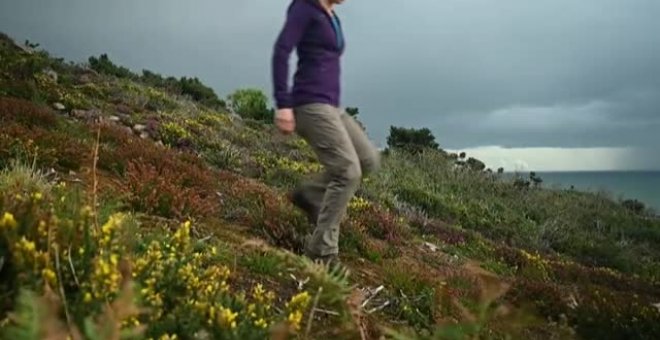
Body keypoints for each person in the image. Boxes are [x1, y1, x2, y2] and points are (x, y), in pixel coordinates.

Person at [271, 0, 380, 265]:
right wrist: (283, 103)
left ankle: (310, 194)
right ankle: (322, 252)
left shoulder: (331, 15)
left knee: (368, 160)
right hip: (309, 103)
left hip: (332, 106)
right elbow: (281, 51)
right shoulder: (304, 8)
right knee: (347, 171)